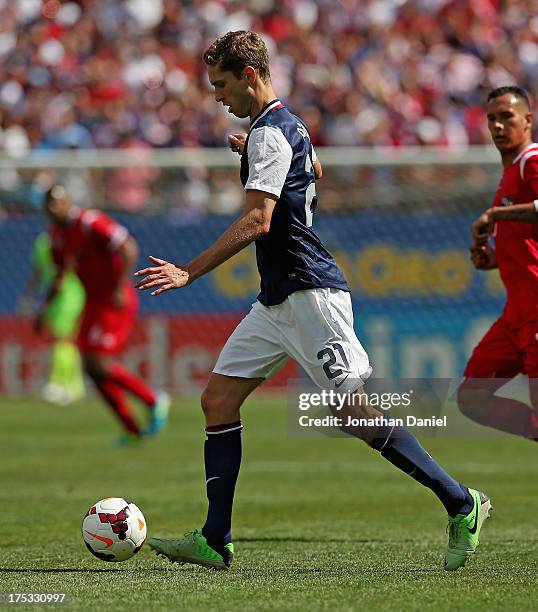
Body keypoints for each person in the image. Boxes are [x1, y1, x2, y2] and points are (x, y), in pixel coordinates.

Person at [135, 30, 490, 571]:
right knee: (218, 402)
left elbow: (259, 219)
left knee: (353, 412)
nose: (217, 97)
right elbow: (315, 170)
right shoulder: (284, 126)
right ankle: (215, 537)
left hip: (310, 294)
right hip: (276, 301)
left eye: (222, 84)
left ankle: (461, 502)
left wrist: (189, 270)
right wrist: (254, 147)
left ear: (249, 75)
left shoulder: (270, 135)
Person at [38, 185, 170, 445]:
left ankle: (153, 399)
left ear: (67, 202)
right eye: (49, 205)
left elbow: (127, 247)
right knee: (91, 368)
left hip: (113, 300)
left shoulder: (90, 222)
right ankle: (131, 429)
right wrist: (44, 310)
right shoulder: (55, 237)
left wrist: (120, 285)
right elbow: (60, 275)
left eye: (58, 203)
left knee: (100, 362)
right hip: (93, 303)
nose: (54, 209)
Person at [458, 86, 538, 440]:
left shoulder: (532, 161)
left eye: (507, 116)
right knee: (472, 397)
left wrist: (495, 214)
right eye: (492, 118)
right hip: (515, 317)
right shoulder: (509, 176)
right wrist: (492, 259)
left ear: (528, 120)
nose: (498, 125)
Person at [20, 231, 86, 405]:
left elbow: (62, 273)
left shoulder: (68, 240)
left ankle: (59, 382)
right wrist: (30, 296)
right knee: (67, 339)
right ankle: (75, 385)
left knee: (63, 338)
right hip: (57, 294)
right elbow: (39, 270)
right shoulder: (44, 242)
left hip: (69, 293)